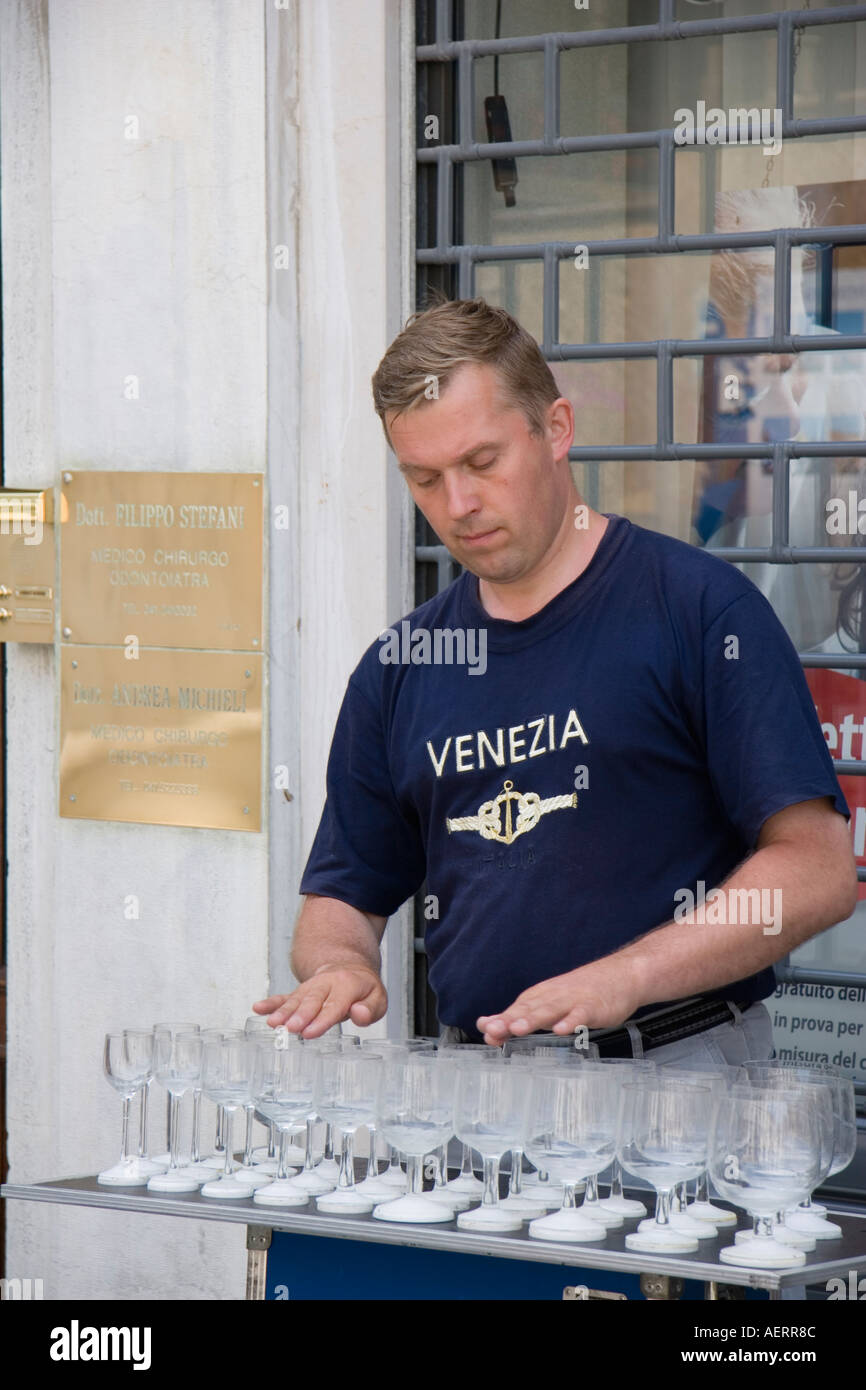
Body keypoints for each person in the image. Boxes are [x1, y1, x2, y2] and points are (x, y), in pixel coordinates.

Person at [254, 297, 857, 1065]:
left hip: (677, 1077)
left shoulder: (701, 611)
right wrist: (340, 965)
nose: (459, 505)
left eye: (481, 462)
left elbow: (817, 870)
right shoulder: (399, 667)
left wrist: (633, 973)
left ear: (557, 430)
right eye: (425, 479)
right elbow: (341, 896)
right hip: (476, 1099)